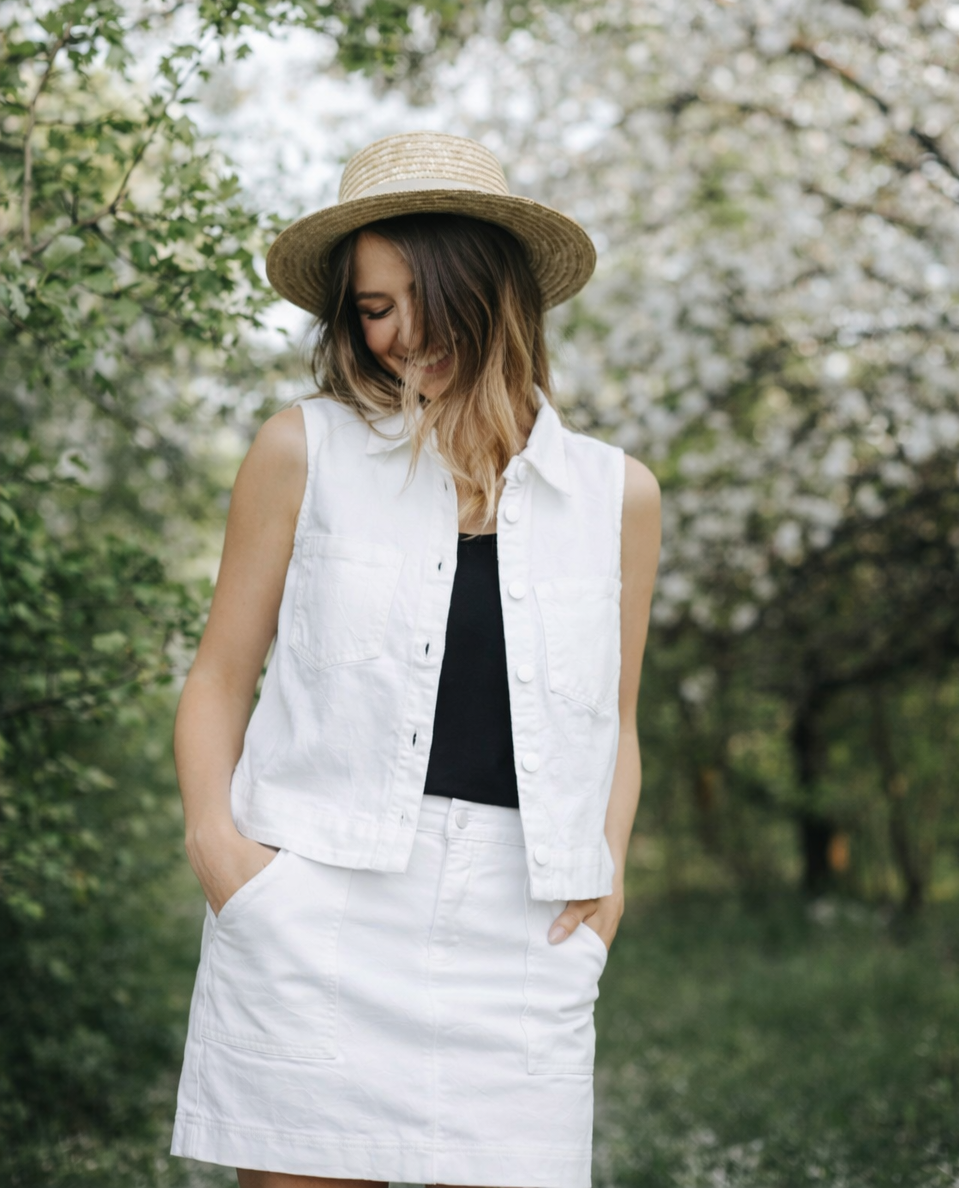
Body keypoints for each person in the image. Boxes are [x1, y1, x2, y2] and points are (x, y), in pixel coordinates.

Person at [170, 132, 661, 1188]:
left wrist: (605, 889)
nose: (395, 334)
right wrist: (224, 855)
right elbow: (218, 677)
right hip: (314, 909)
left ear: (490, 289)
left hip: (521, 935)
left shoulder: (618, 495)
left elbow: (614, 721)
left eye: (414, 297)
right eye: (370, 308)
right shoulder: (301, 450)